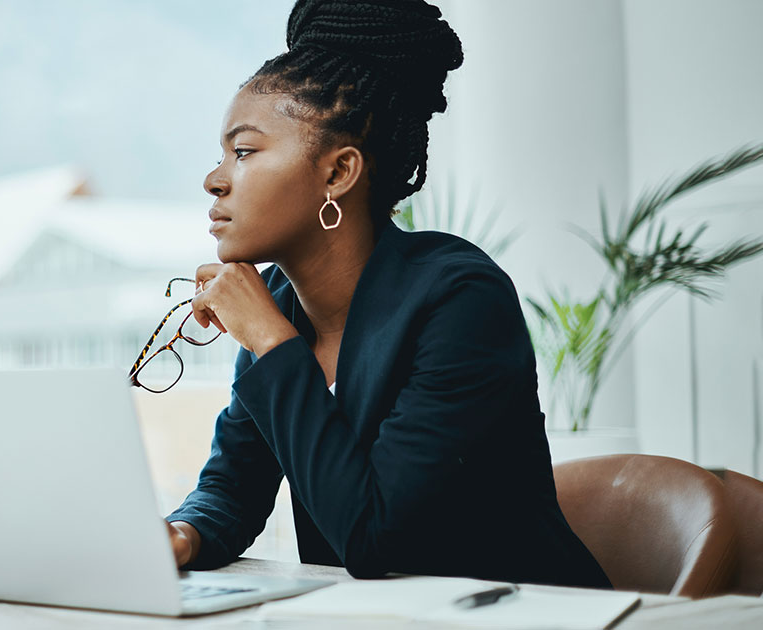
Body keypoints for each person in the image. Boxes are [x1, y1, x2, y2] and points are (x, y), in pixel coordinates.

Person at [164, 0, 611, 588]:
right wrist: (181, 534)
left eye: (243, 152)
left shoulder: (460, 299)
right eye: (222, 155)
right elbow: (232, 489)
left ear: (337, 173)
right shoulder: (277, 299)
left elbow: (377, 539)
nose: (214, 179)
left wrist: (272, 340)